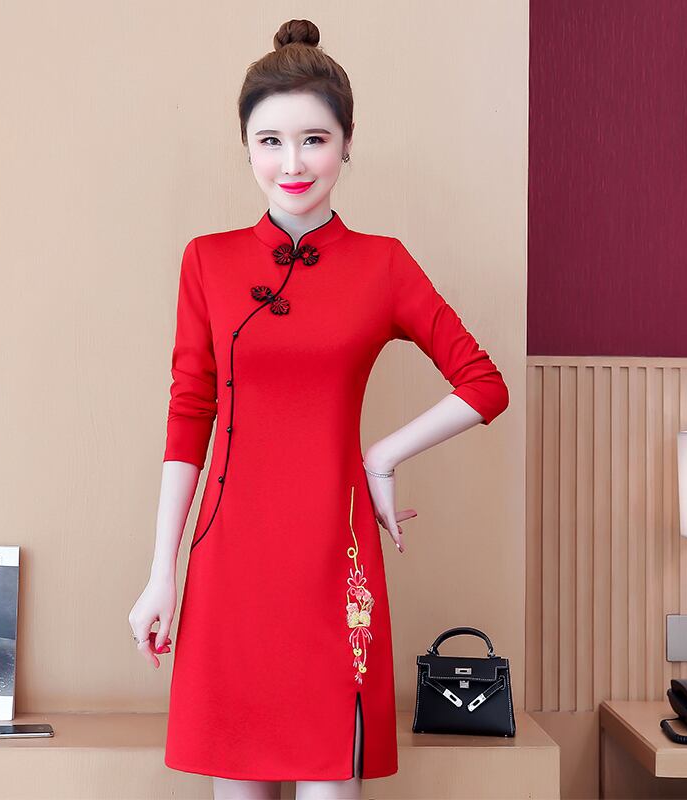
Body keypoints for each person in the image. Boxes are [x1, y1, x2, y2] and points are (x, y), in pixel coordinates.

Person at [128, 18, 509, 800]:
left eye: (314, 140)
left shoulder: (383, 264)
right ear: (246, 146)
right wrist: (162, 574)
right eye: (270, 141)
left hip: (335, 562)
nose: (292, 163)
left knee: (332, 781)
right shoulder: (207, 260)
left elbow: (483, 382)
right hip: (229, 564)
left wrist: (382, 457)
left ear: (347, 143)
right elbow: (188, 414)